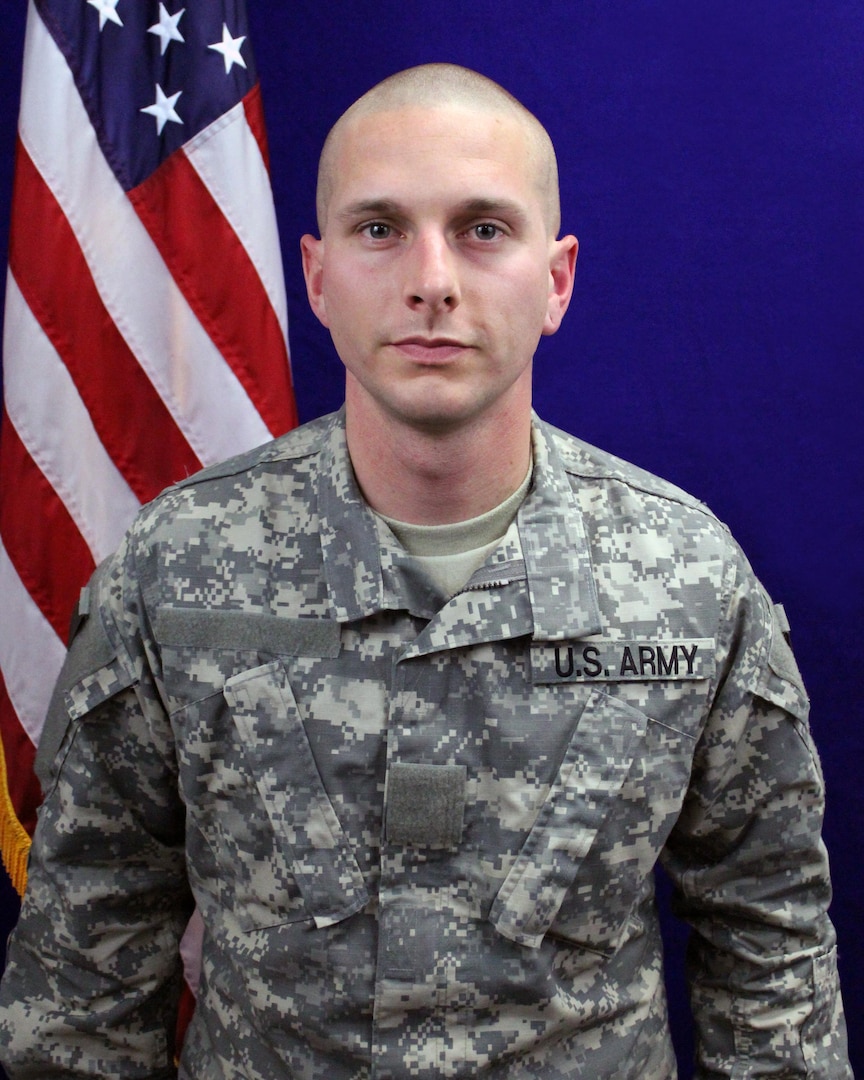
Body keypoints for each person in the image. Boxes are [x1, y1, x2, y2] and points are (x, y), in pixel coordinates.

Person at [0, 63, 851, 1079]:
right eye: (380, 229)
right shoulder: (175, 572)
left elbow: (770, 950)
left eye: (484, 229)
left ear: (558, 279)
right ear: (316, 277)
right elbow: (89, 968)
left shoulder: (689, 580)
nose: (433, 278)